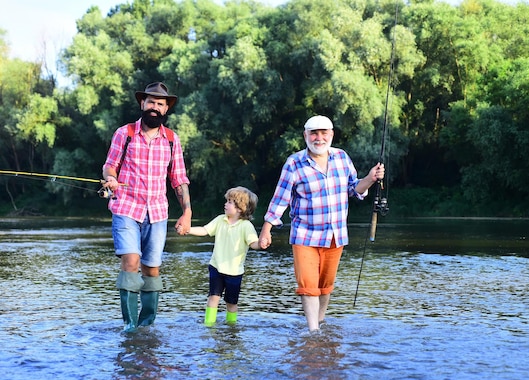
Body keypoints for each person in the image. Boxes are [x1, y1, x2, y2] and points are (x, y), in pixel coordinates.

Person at [258, 115, 384, 332]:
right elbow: (281, 198)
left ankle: (320, 322)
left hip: (335, 235)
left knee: (325, 287)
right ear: (305, 135)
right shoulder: (294, 163)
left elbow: (355, 189)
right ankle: (313, 332)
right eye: (314, 133)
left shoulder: (342, 157)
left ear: (331, 135)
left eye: (323, 133)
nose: (319, 138)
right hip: (304, 235)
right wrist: (266, 229)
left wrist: (371, 178)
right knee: (308, 286)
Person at [101, 81, 192, 332]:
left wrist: (187, 212)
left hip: (158, 212)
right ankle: (130, 327)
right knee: (131, 261)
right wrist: (111, 178)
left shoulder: (173, 139)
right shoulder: (125, 133)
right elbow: (110, 165)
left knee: (152, 269)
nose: (154, 107)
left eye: (160, 104)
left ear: (166, 109)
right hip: (126, 208)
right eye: (150, 102)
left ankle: (146, 326)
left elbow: (179, 179)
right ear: (142, 104)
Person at [187, 186, 261, 326]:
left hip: (235, 271)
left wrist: (262, 244)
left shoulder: (246, 226)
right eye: (226, 201)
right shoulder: (221, 219)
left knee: (231, 302)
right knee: (213, 297)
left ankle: (231, 327)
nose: (225, 204)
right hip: (216, 266)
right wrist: (188, 229)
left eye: (230, 202)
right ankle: (209, 325)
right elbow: (204, 230)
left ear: (240, 208)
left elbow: (253, 244)